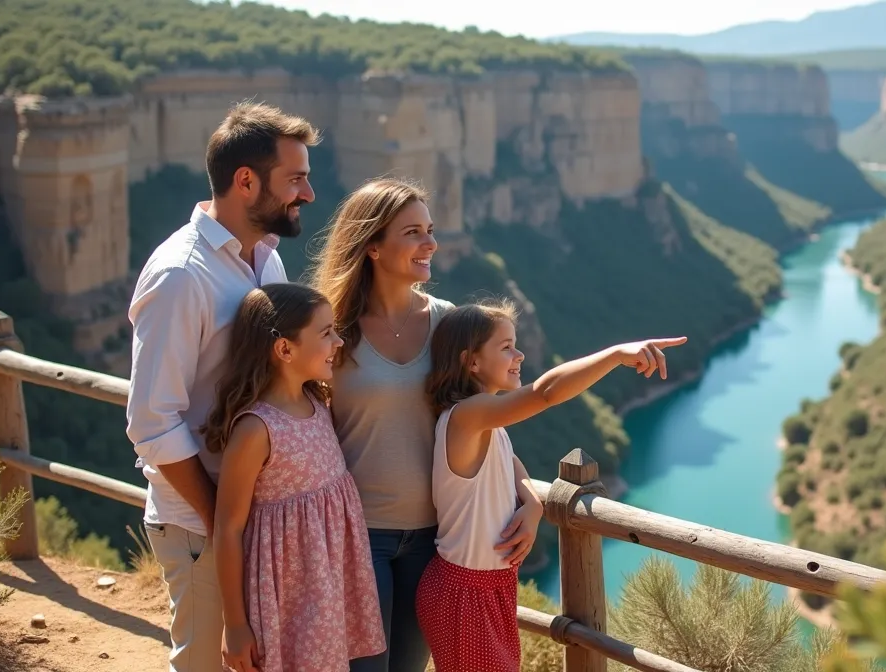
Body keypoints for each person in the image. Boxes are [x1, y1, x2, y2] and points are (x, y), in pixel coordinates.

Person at [308, 176, 544, 672]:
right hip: (357, 534)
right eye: (413, 232)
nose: (431, 243)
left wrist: (530, 496)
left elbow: (482, 425)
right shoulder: (334, 331)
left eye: (430, 230)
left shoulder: (447, 324)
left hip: (436, 541)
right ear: (372, 245)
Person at [124, 101, 320, 671]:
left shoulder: (267, 261)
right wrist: (222, 525)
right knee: (206, 664)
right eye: (295, 179)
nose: (308, 193)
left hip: (254, 522)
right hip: (200, 524)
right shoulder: (181, 276)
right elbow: (152, 423)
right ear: (246, 181)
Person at [417, 298, 686, 671]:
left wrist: (533, 502)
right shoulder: (467, 416)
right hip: (467, 595)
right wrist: (614, 355)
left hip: (480, 588)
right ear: (472, 361)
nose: (520, 355)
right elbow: (546, 393)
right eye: (506, 347)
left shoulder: (481, 422)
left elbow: (509, 461)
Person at [200, 282, 386, 672]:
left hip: (327, 585)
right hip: (288, 595)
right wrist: (235, 623)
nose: (338, 341)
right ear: (285, 349)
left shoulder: (317, 401)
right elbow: (228, 528)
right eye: (326, 333)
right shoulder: (256, 429)